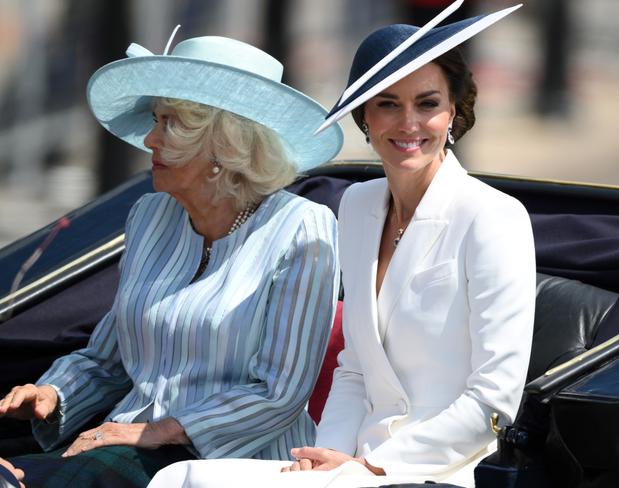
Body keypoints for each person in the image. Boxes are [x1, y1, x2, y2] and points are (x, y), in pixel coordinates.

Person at [147, 4, 536, 488]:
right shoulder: (357, 204)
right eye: (388, 103)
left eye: (428, 103)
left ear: (454, 111)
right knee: (179, 476)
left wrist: (375, 465)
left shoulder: (493, 217)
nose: (408, 123)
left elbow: (493, 400)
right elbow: (355, 367)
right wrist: (326, 453)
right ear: (364, 116)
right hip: (353, 464)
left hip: (442, 470)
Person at [0, 31, 343, 487]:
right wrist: (52, 393)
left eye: (169, 123)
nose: (149, 138)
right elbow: (109, 359)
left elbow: (279, 391)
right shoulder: (150, 215)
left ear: (224, 145)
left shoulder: (302, 226)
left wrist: (160, 430)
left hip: (234, 461)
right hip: (126, 442)